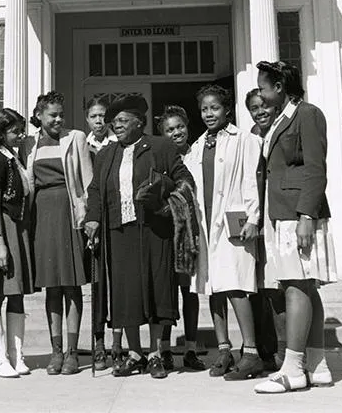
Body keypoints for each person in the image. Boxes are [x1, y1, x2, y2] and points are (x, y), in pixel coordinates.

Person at [85, 95, 197, 380]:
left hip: (154, 229)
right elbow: (96, 190)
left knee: (157, 288)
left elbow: (186, 182)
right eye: (114, 122)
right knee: (126, 293)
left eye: (122, 121)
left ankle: (156, 353)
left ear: (139, 122)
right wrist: (93, 218)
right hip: (118, 231)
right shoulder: (106, 154)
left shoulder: (160, 147)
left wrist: (164, 198)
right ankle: (134, 353)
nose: (116, 126)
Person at [252, 61, 338, 394]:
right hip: (282, 213)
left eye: (262, 87)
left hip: (297, 213)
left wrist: (306, 216)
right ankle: (317, 365)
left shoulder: (308, 114)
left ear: (279, 86)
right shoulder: (278, 120)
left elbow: (316, 169)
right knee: (305, 286)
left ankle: (292, 369)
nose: (260, 93)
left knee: (295, 287)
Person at [186, 85, 264, 381]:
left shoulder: (244, 139)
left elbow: (250, 180)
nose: (209, 114)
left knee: (235, 285)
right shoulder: (197, 146)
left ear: (226, 110)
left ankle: (252, 352)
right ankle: (224, 348)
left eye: (214, 108)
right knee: (213, 287)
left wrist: (253, 217)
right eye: (204, 109)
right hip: (205, 225)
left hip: (234, 221)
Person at [21, 91, 93, 376]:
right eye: (52, 115)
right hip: (41, 216)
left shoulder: (75, 138)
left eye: (61, 114)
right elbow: (27, 183)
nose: (58, 119)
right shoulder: (29, 143)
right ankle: (56, 351)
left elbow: (87, 180)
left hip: (69, 213)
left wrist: (90, 219)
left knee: (71, 285)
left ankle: (74, 352)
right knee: (52, 286)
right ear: (39, 115)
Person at [0, 108, 35, 378]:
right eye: (14, 131)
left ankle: (16, 354)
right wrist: (0, 243)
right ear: (1, 133)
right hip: (3, 228)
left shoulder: (15, 157)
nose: (20, 134)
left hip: (19, 228)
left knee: (17, 292)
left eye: (20, 129)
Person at [155, 105, 205, 372]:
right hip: (168, 230)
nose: (176, 132)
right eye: (170, 129)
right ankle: (163, 348)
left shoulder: (197, 152)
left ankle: (190, 348)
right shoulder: (159, 157)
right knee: (166, 291)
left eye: (180, 127)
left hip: (192, 229)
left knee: (190, 291)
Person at [245, 89, 287, 371]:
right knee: (256, 287)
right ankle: (263, 348)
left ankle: (285, 348)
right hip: (255, 217)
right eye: (253, 108)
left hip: (278, 213)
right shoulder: (250, 137)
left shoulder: (281, 133)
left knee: (278, 286)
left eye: (263, 106)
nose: (259, 112)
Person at [83, 96, 123, 371]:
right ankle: (99, 343)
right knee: (98, 285)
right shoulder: (81, 145)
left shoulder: (118, 144)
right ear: (87, 119)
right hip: (93, 220)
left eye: (102, 116)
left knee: (119, 282)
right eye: (93, 116)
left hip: (117, 218)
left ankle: (118, 343)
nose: (98, 121)